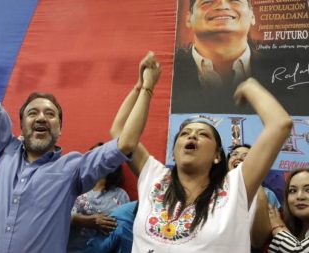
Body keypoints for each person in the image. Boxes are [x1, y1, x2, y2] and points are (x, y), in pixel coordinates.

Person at [0, 12, 160, 253]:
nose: (41, 117)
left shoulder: (74, 169)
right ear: (21, 124)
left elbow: (126, 143)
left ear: (60, 128)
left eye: (50, 114)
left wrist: (146, 88)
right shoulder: (5, 149)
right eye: (32, 113)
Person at [111, 52, 292, 253]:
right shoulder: (154, 176)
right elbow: (120, 133)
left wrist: (249, 86)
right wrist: (143, 87)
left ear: (217, 156)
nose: (192, 136)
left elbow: (280, 124)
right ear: (173, 153)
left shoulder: (234, 187)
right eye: (185, 133)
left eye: (203, 134)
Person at [171, 0, 307, 115]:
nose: (222, 6)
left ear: (252, 16)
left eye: (234, 0)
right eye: (208, 1)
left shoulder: (288, 73)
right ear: (188, 18)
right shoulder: (169, 74)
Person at [227, 144, 280, 252]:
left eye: (246, 155)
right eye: (234, 154)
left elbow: (261, 240)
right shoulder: (214, 191)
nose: (239, 157)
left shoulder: (268, 194)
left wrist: (256, 187)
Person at [68, 160, 130, 253]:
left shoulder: (120, 195)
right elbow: (59, 219)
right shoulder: (74, 189)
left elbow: (125, 228)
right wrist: (86, 221)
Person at [268, 168, 309, 253]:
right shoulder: (295, 227)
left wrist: (278, 228)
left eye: (308, 190)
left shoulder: (280, 227)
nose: (300, 196)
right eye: (293, 190)